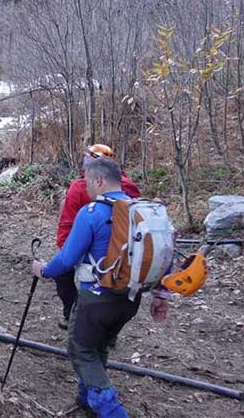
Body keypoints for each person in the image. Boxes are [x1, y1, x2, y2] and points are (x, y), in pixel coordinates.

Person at [31, 158, 170, 418]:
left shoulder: (92, 212)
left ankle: (110, 409)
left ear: (98, 180)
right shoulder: (141, 211)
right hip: (130, 299)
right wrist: (160, 295)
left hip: (95, 299)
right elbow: (162, 254)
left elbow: (67, 258)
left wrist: (43, 269)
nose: (86, 189)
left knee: (80, 350)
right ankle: (87, 399)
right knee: (98, 347)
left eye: (87, 183)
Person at [54, 144, 141, 330]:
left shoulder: (79, 188)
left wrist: (64, 252)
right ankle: (108, 329)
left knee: (62, 273)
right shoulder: (130, 188)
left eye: (87, 160)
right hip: (127, 254)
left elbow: (67, 223)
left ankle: (72, 314)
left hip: (92, 251)